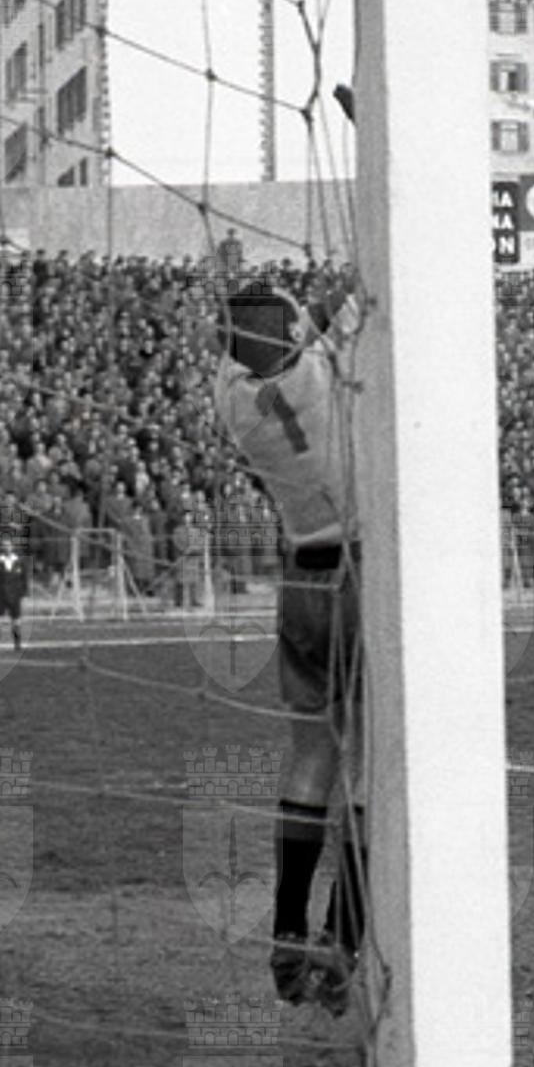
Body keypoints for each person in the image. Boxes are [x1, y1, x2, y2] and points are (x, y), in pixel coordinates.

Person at [212, 273, 365, 1014]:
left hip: (301, 576)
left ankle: (286, 929)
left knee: (310, 757)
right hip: (361, 576)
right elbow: (340, 310)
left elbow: (261, 339)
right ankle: (342, 937)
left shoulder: (233, 403)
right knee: (368, 765)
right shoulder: (317, 373)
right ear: (291, 333)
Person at [0, 532, 27, 651]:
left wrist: (23, 593)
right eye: (4, 545)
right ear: (2, 547)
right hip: (0, 595)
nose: (7, 547)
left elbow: (24, 579)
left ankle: (17, 644)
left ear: (12, 546)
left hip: (15, 595)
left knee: (16, 621)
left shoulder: (19, 561)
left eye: (8, 545)